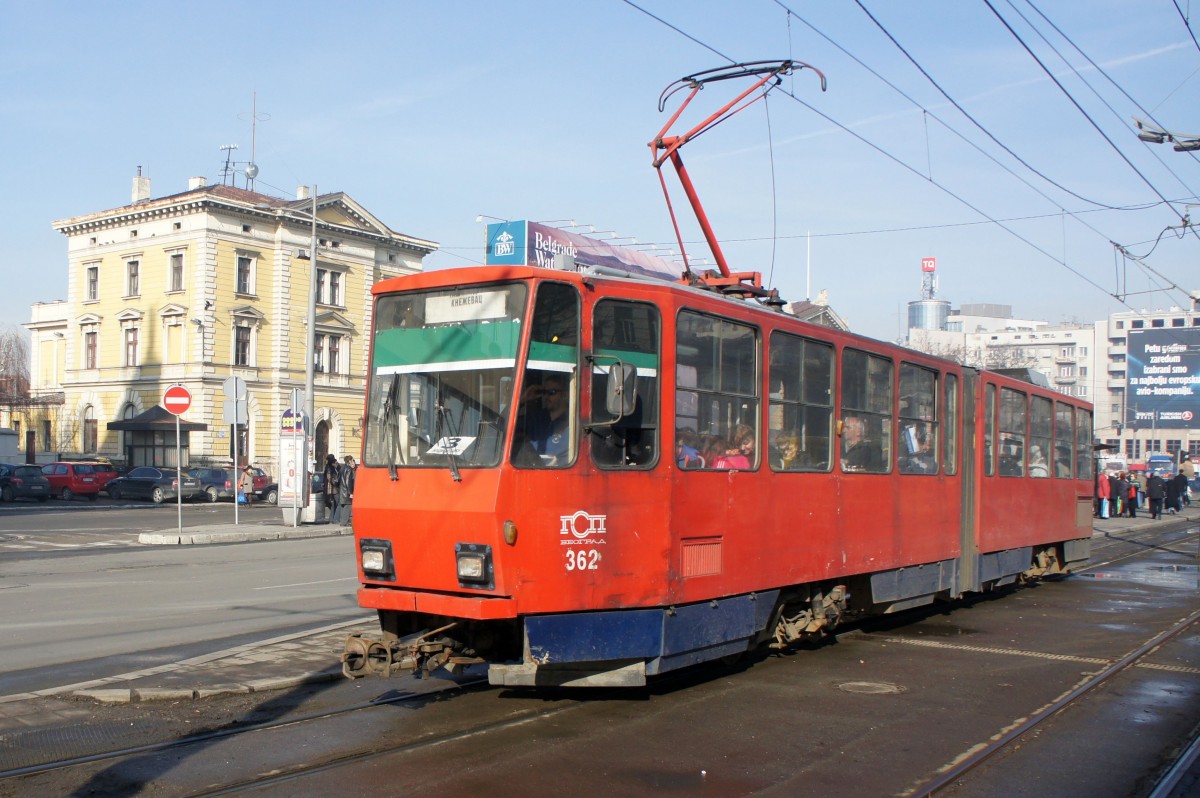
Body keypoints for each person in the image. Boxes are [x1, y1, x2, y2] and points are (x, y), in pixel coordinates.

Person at [335, 455, 356, 525]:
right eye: (352, 460)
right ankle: (344, 523)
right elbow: (348, 482)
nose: (353, 462)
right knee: (348, 506)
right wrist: (350, 493)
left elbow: (337, 480)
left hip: (342, 491)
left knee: (342, 507)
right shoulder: (349, 469)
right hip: (346, 492)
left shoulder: (342, 468)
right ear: (349, 461)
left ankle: (342, 521)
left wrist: (339, 488)